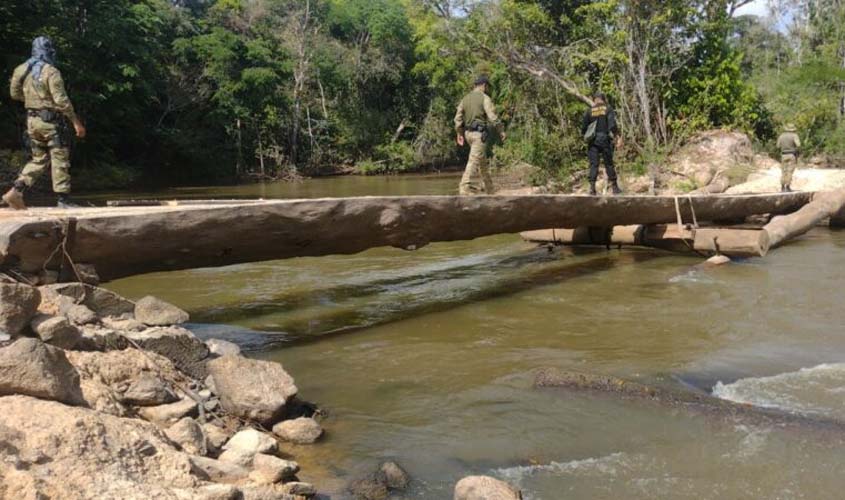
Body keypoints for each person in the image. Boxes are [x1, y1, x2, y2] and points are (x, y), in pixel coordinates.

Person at [4, 36, 86, 210]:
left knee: (39, 159)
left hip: (32, 121)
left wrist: (32, 101)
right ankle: (63, 200)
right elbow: (61, 100)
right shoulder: (51, 71)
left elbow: (14, 94)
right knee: (59, 157)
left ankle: (17, 189)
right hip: (50, 122)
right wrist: (75, 122)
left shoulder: (20, 69)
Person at [454, 75, 505, 195]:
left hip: (468, 134)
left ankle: (490, 190)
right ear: (484, 85)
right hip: (479, 135)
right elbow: (492, 116)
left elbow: (458, 118)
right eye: (487, 87)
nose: (487, 89)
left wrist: (459, 133)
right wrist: (501, 130)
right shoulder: (484, 98)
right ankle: (465, 187)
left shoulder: (465, 99)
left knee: (482, 164)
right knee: (473, 161)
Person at [581, 92, 622, 196]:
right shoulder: (608, 109)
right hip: (604, 139)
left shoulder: (589, 111)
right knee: (608, 163)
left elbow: (583, 129)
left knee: (594, 164)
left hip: (592, 141)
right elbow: (612, 125)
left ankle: (592, 189)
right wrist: (618, 136)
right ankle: (615, 188)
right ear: (604, 99)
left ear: (594, 99)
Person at [776, 123, 801, 192]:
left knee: (783, 171)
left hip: (783, 155)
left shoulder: (781, 136)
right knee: (790, 171)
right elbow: (798, 145)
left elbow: (777, 146)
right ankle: (787, 186)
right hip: (791, 155)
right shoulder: (794, 135)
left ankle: (782, 187)